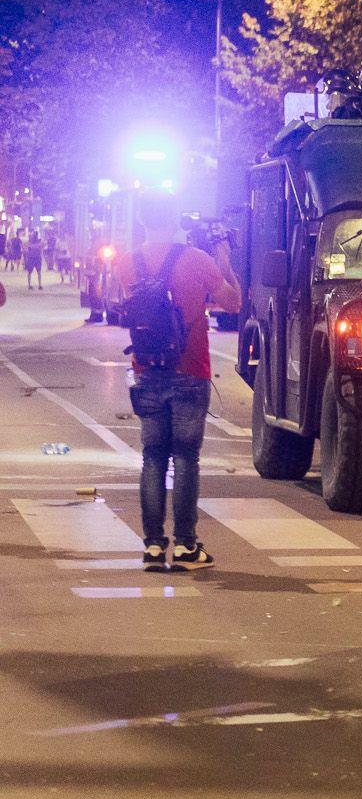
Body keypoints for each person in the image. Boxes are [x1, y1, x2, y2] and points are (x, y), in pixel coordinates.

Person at [117, 193, 240, 572]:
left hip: (146, 370)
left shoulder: (127, 263)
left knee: (152, 457)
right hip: (190, 371)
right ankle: (186, 546)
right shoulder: (197, 260)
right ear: (176, 222)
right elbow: (234, 303)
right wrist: (225, 262)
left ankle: (153, 546)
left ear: (142, 222)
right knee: (186, 458)